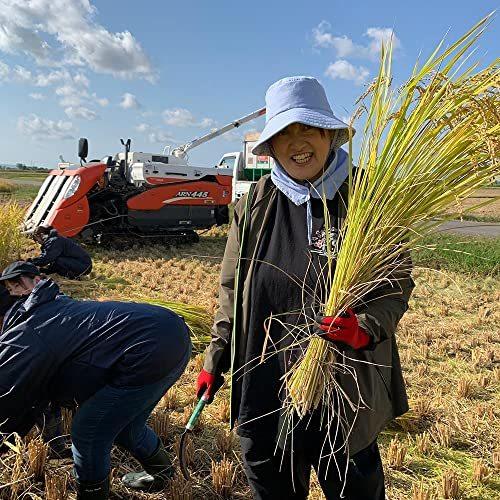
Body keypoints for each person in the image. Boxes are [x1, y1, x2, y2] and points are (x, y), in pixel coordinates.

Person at [196, 77, 414, 499]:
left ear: (329, 134)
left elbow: (396, 281)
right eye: (285, 133)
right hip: (265, 383)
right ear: (272, 145)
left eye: (308, 128)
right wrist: (215, 358)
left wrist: (365, 326)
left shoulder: (367, 198)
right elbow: (231, 293)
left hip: (344, 384)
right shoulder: (255, 204)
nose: (297, 142)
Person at [0, 261, 192, 500]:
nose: (13, 291)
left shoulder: (29, 330)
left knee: (88, 430)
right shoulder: (54, 305)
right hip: (171, 335)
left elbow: (7, 393)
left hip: (149, 350)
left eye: (15, 286)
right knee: (127, 426)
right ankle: (162, 475)